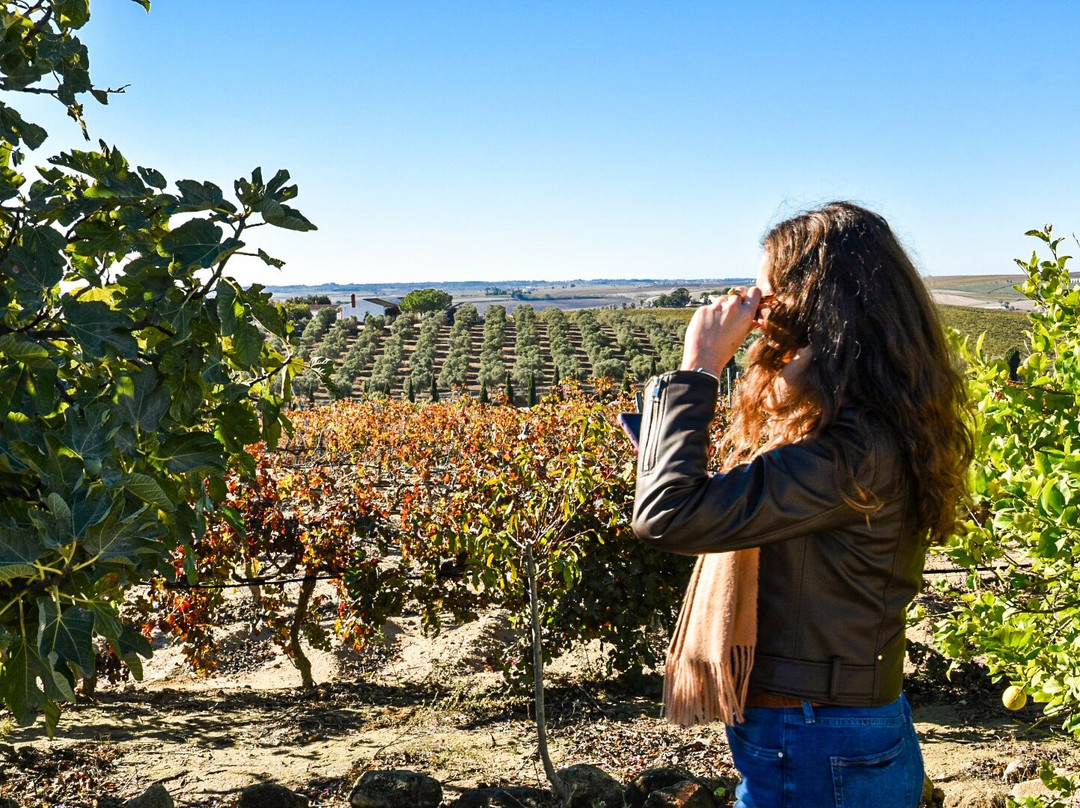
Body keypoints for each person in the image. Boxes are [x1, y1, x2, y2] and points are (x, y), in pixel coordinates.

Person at [632, 201, 972, 808]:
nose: (756, 312)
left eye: (766, 294)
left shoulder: (851, 450)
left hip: (814, 735)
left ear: (817, 301)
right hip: (828, 726)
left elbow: (668, 515)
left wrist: (699, 366)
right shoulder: (865, 427)